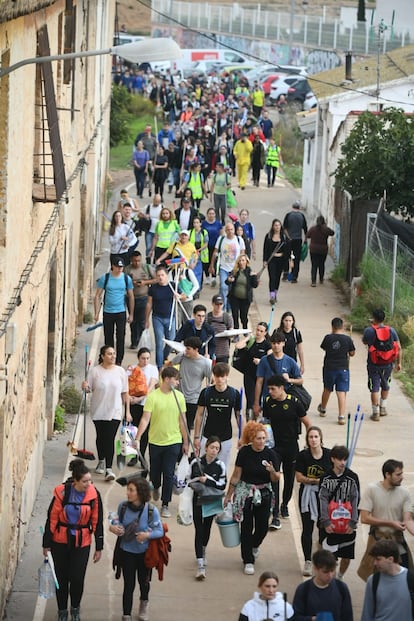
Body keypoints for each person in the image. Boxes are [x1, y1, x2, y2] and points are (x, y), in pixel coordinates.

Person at [42, 459, 103, 621]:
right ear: (75, 481)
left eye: (90, 481)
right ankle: (62, 611)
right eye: (84, 481)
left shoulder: (94, 495)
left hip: (82, 543)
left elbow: (97, 521)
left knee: (77, 578)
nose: (88, 484)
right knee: (61, 579)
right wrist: (46, 544)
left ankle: (75, 608)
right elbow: (52, 518)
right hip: (60, 542)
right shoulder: (62, 493)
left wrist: (99, 547)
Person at [224, 421, 280, 575]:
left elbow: (276, 479)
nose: (261, 441)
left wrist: (272, 471)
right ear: (251, 439)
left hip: (264, 493)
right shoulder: (244, 453)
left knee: (262, 527)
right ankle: (247, 559)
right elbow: (236, 475)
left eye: (263, 438)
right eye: (258, 438)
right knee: (246, 528)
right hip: (246, 494)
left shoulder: (270, 454)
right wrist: (229, 495)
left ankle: (254, 545)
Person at [136, 366, 189, 518]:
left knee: (168, 473)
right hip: (155, 441)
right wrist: (138, 437)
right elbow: (145, 418)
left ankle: (166, 504)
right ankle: (155, 486)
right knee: (155, 472)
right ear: (166, 379)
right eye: (176, 379)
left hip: (173, 441)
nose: (178, 382)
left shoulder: (179, 397)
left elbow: (182, 421)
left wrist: (185, 442)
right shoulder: (153, 397)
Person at [109, 478, 163, 621]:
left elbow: (160, 531)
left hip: (144, 554)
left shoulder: (151, 510)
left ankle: (143, 605)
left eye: (131, 490)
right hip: (126, 552)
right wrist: (113, 527)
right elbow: (115, 521)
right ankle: (126, 615)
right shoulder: (123, 506)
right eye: (128, 489)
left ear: (140, 493)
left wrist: (147, 535)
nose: (128, 493)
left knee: (143, 583)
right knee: (128, 584)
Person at [263, 374, 311, 529]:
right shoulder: (269, 402)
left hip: (291, 446)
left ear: (282, 388)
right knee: (274, 478)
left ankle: (285, 504)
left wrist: (309, 443)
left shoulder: (294, 402)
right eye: (269, 389)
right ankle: (275, 514)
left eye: (273, 389)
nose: (270, 392)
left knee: (290, 480)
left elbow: (307, 423)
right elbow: (266, 423)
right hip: (275, 448)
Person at [358, 459, 414, 581]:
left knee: (405, 577)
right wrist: (390, 523)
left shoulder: (404, 493)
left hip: (397, 542)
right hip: (378, 540)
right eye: (398, 474)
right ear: (387, 475)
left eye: (402, 473)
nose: (402, 477)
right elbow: (364, 518)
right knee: (375, 579)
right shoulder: (372, 489)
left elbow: (408, 520)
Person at [83, 345, 130, 481]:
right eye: (109, 354)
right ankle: (101, 460)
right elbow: (89, 389)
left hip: (115, 411)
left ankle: (109, 468)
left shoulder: (121, 372)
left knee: (110, 438)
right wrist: (85, 387)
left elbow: (125, 393)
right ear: (103, 356)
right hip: (98, 410)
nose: (113, 356)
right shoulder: (95, 372)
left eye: (114, 354)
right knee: (101, 437)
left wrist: (127, 411)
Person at [318, 444, 360, 580]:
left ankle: (340, 577)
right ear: (333, 459)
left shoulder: (352, 477)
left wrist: (353, 522)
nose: (342, 462)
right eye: (339, 459)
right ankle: (330, 578)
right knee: (330, 557)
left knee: (347, 556)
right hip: (330, 523)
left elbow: (356, 499)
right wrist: (325, 521)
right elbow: (322, 499)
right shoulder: (326, 478)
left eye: (345, 459)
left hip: (347, 524)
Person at [189, 436, 227, 580]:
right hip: (198, 500)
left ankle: (203, 550)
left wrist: (208, 480)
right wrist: (198, 479)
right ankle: (200, 564)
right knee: (199, 529)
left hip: (211, 501)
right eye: (212, 447)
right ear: (206, 448)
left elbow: (222, 485)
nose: (214, 451)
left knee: (207, 528)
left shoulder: (220, 465)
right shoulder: (196, 462)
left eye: (217, 448)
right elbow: (188, 480)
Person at [295, 427, 332, 576]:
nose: (313, 439)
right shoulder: (303, 456)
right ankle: (308, 561)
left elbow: (333, 476)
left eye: (316, 436)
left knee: (323, 527)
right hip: (307, 495)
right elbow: (299, 477)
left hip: (324, 496)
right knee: (307, 528)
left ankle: (321, 557)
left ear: (321, 438)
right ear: (307, 440)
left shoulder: (329, 455)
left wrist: (317, 482)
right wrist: (315, 481)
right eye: (310, 437)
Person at [193, 362, 241, 471]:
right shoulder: (206, 393)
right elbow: (199, 415)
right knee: (204, 468)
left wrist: (242, 436)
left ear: (227, 376)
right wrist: (196, 437)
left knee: (222, 468)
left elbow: (239, 416)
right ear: (214, 376)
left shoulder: (234, 394)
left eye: (222, 376)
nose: (219, 379)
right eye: (217, 376)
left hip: (226, 437)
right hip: (208, 435)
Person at [362, 308, 401, 421]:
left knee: (374, 388)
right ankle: (383, 408)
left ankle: (375, 413)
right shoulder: (391, 330)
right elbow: (398, 347)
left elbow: (365, 342)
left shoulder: (369, 330)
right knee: (385, 384)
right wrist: (399, 363)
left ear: (373, 318)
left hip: (373, 364)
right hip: (388, 363)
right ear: (384, 318)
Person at [94, 257, 134, 366]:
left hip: (120, 311)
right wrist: (96, 313)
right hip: (108, 312)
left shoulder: (126, 279)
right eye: (118, 266)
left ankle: (119, 360)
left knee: (121, 337)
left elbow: (131, 296)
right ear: (113, 266)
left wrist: (131, 314)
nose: (120, 269)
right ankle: (107, 358)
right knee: (108, 336)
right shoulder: (105, 278)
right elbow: (97, 295)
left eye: (121, 267)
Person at [292, 549, 353, 621]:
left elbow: (348, 616)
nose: (330, 575)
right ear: (315, 569)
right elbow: (295, 617)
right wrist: (312, 619)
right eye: (325, 572)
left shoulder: (341, 588)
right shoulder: (304, 589)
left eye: (332, 571)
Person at [360, 540, 414, 621]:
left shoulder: (410, 579)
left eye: (378, 559)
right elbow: (367, 614)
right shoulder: (373, 581)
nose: (374, 563)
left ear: (390, 559)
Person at [253, 330, 303, 416]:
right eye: (273, 343)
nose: (276, 345)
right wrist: (256, 403)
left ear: (283, 343)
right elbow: (259, 382)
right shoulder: (264, 360)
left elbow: (300, 380)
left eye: (278, 343)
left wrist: (289, 380)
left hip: (285, 401)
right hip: (268, 399)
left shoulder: (290, 361)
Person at [317, 317, 356, 425]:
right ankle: (341, 416)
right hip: (343, 368)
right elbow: (352, 353)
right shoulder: (348, 339)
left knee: (327, 389)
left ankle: (323, 408)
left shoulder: (328, 338)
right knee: (341, 391)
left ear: (332, 326)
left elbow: (324, 348)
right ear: (342, 327)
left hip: (329, 368)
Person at [170, 337, 212, 430]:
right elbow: (169, 365)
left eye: (188, 349)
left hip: (193, 400)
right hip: (178, 396)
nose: (186, 351)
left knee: (187, 426)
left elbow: (211, 379)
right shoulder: (182, 357)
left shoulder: (205, 363)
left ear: (196, 349)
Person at [127, 347, 159, 466]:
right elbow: (127, 386)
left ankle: (142, 455)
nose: (145, 361)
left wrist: (139, 398)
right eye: (143, 358)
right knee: (133, 431)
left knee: (144, 432)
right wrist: (130, 399)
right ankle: (133, 456)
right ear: (138, 358)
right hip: (133, 404)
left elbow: (151, 387)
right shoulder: (132, 369)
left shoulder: (153, 369)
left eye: (147, 358)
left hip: (146, 404)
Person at [233, 322, 271, 420]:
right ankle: (249, 419)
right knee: (250, 398)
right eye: (257, 330)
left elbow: (270, 358)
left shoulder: (267, 345)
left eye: (261, 331)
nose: (258, 332)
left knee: (258, 398)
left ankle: (257, 416)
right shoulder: (251, 341)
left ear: (265, 333)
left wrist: (261, 361)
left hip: (261, 376)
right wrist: (248, 337)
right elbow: (238, 346)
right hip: (249, 374)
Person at [209, 221, 245, 310]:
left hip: (235, 269)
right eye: (228, 230)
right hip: (223, 268)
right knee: (223, 287)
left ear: (234, 230)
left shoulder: (239, 240)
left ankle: (229, 308)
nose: (230, 231)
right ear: (225, 231)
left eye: (231, 229)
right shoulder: (221, 239)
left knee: (232, 290)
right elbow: (215, 252)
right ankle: (223, 308)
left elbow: (242, 254)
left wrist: (243, 267)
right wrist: (212, 265)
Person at [145, 265, 175, 370]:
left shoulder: (173, 286)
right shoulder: (153, 288)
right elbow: (149, 304)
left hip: (171, 318)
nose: (161, 277)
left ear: (167, 276)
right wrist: (146, 319)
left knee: (171, 341)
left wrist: (179, 296)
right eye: (158, 275)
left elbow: (185, 296)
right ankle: (159, 366)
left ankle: (164, 356)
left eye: (162, 275)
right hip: (157, 318)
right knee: (159, 342)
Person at [125, 251, 154, 349]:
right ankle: (134, 341)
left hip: (144, 298)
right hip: (131, 298)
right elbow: (123, 281)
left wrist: (145, 282)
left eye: (138, 261)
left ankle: (142, 343)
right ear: (131, 260)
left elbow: (156, 279)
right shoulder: (127, 269)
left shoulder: (146, 268)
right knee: (133, 321)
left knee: (142, 321)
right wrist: (132, 283)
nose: (136, 263)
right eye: (134, 261)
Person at [226, 254, 258, 329]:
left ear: (246, 262)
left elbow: (254, 285)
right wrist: (229, 280)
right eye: (240, 260)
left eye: (243, 260)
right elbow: (227, 282)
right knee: (235, 315)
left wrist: (254, 277)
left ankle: (245, 328)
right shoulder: (234, 271)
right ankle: (236, 331)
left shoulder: (249, 271)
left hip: (245, 299)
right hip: (235, 298)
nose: (241, 262)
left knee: (243, 316)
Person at [262, 218, 290, 305]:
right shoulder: (269, 236)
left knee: (277, 278)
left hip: (281, 260)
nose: (277, 227)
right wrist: (265, 260)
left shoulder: (284, 237)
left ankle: (275, 293)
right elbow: (265, 249)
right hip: (271, 260)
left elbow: (288, 249)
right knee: (272, 278)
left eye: (278, 225)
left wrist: (287, 258)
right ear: (273, 226)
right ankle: (272, 296)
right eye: (275, 225)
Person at [282, 201, 307, 283]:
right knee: (296, 259)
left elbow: (284, 228)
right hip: (298, 240)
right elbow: (305, 229)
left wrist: (288, 237)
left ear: (292, 207)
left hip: (289, 240)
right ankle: (294, 277)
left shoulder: (288, 215)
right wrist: (305, 240)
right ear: (299, 208)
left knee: (286, 257)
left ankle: (285, 275)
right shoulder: (302, 216)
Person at [306, 215, 334, 286]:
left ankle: (313, 281)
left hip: (313, 250)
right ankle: (321, 279)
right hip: (323, 250)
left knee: (314, 265)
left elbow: (308, 235)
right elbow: (332, 233)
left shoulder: (313, 229)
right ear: (323, 222)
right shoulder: (326, 229)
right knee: (321, 264)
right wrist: (325, 226)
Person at [206, 294, 234, 363]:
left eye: (220, 304)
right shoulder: (207, 317)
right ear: (212, 304)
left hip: (223, 352)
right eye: (217, 304)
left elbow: (231, 332)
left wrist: (230, 334)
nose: (219, 306)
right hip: (210, 351)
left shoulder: (227, 317)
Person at [202, 207, 223, 286]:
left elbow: (221, 234)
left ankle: (214, 277)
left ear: (215, 215)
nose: (211, 215)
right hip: (206, 246)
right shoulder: (204, 224)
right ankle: (207, 277)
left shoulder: (218, 224)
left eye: (213, 214)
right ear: (207, 215)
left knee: (214, 261)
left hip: (215, 246)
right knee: (206, 262)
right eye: (210, 214)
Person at [142, 194, 163, 263]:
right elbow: (139, 214)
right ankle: (148, 260)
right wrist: (145, 216)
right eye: (156, 201)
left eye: (158, 201)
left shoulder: (162, 207)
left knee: (157, 248)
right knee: (148, 247)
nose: (157, 202)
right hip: (149, 231)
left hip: (158, 232)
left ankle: (155, 261)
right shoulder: (148, 207)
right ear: (153, 200)